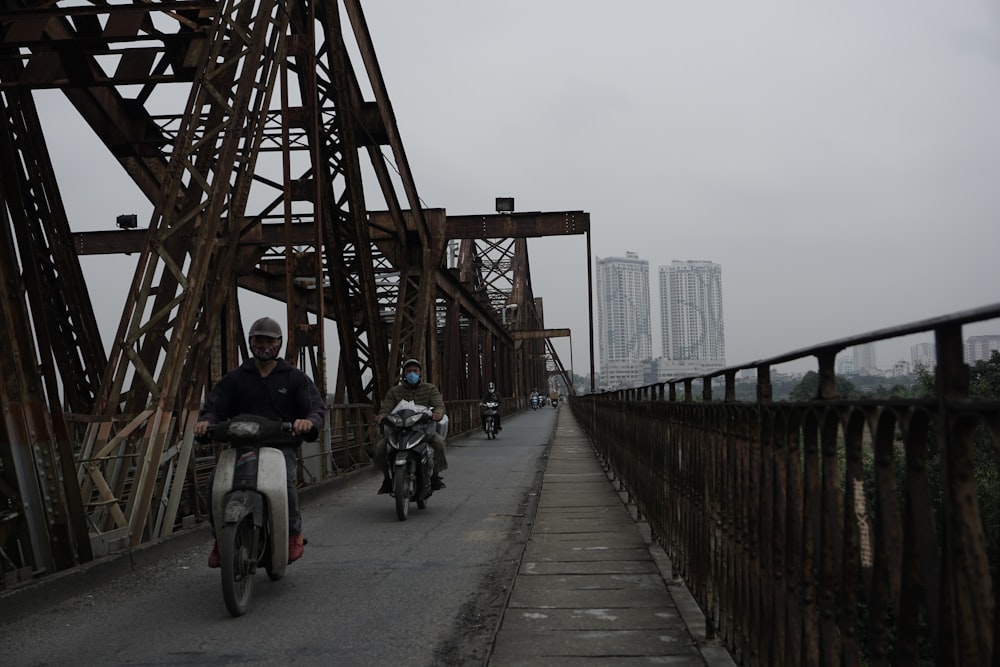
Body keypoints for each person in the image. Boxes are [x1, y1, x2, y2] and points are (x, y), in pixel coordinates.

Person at [194, 316, 326, 568]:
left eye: (269, 340)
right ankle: (221, 540)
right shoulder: (236, 378)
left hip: (280, 445)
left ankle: (292, 534)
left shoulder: (294, 378)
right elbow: (214, 407)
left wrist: (308, 422)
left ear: (279, 344)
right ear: (250, 342)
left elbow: (315, 408)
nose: (263, 345)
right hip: (242, 444)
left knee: (284, 484)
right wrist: (206, 421)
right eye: (258, 340)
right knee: (214, 485)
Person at [373, 358, 448, 494]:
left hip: (422, 428)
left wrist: (437, 413)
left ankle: (435, 475)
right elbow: (386, 407)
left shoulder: (430, 389)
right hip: (399, 429)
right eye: (408, 371)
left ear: (420, 373)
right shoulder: (394, 391)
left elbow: (439, 405)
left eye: (415, 371)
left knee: (439, 443)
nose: (412, 374)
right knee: (380, 448)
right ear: (404, 374)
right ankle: (387, 479)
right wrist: (382, 416)